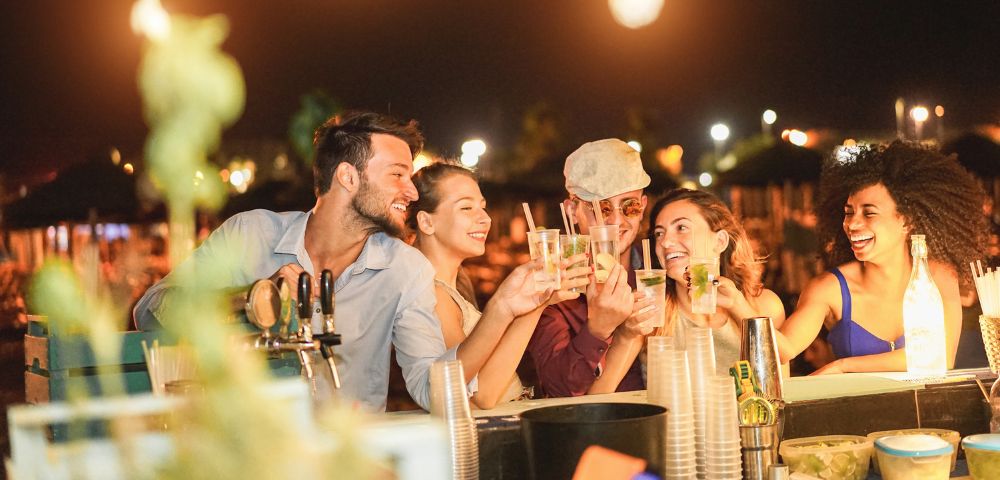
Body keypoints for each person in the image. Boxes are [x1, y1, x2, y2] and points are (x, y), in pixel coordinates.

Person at [134, 111, 542, 411]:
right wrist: (250, 300)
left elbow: (433, 390)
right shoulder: (251, 234)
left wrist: (503, 309)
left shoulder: (405, 268)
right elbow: (150, 311)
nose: (412, 192)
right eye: (397, 175)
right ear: (348, 177)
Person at [776, 141, 988, 374]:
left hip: (927, 410)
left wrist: (845, 366)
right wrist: (740, 306)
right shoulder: (829, 288)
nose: (852, 224)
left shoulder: (939, 277)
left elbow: (940, 356)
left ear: (907, 221)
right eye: (849, 212)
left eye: (869, 213)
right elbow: (785, 348)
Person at [408, 162, 589, 408]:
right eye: (466, 208)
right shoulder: (434, 295)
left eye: (482, 207)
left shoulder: (452, 289)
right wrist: (532, 308)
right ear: (427, 222)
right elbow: (481, 394)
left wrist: (539, 302)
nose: (484, 218)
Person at [527, 139, 658, 397]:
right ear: (572, 210)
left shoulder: (656, 271)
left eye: (629, 206)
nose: (616, 221)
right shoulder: (553, 287)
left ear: (642, 207)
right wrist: (597, 330)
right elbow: (559, 393)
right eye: (602, 208)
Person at [647, 188, 786, 371]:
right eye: (659, 233)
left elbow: (779, 378)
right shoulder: (651, 314)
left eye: (681, 228)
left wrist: (738, 306)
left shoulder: (765, 306)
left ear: (720, 241)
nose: (665, 242)